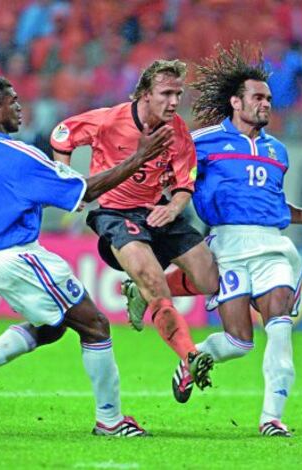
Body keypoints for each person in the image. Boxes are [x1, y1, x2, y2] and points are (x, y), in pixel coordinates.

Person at [123, 43, 302, 437]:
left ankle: (272, 418)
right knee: (240, 342)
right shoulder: (203, 142)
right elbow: (168, 174)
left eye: (268, 98)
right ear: (235, 101)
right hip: (227, 246)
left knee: (279, 325)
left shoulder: (277, 151)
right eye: (258, 98)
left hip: (273, 248)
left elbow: (272, 204)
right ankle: (192, 359)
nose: (266, 104)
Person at [0, 75, 175, 437]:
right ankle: (110, 421)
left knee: (52, 327)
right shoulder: (20, 155)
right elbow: (84, 192)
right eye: (12, 101)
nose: (19, 107)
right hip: (21, 255)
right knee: (96, 326)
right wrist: (139, 157)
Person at [50, 59, 219, 392]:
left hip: (158, 212)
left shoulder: (178, 131)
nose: (173, 102)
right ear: (144, 94)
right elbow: (62, 136)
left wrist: (174, 206)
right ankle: (190, 354)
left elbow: (186, 181)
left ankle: (137, 292)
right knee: (153, 281)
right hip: (116, 215)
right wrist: (68, 181)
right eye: (165, 93)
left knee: (209, 279)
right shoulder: (109, 120)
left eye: (178, 94)